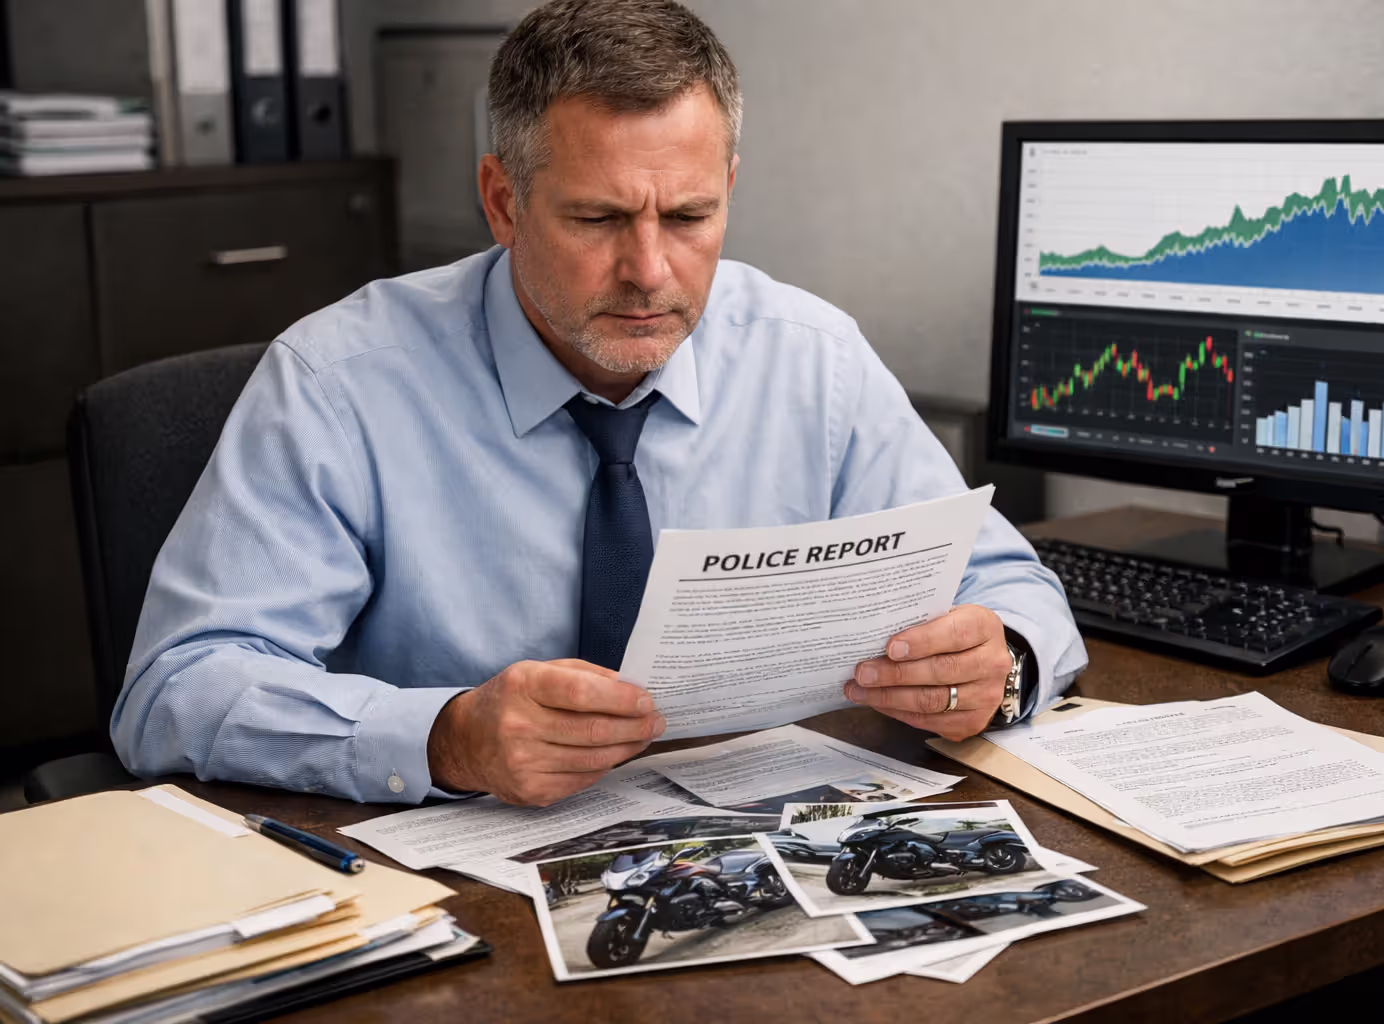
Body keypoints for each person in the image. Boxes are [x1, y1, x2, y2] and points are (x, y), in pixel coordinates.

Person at [112, 0, 1085, 807]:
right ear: (501, 200)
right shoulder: (338, 381)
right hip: (455, 876)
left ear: (729, 189)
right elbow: (177, 686)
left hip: (762, 836)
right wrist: (444, 735)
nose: (650, 270)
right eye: (598, 217)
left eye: (691, 216)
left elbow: (1012, 586)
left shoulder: (811, 358)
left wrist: (998, 666)